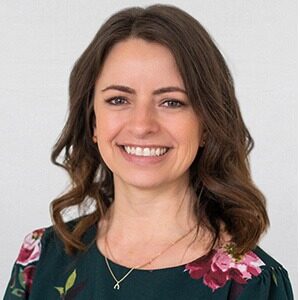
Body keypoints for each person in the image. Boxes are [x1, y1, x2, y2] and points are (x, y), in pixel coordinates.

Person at [4, 4, 293, 299]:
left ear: (206, 124)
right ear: (92, 121)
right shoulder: (40, 261)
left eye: (171, 102)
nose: (142, 125)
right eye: (118, 100)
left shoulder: (252, 282)